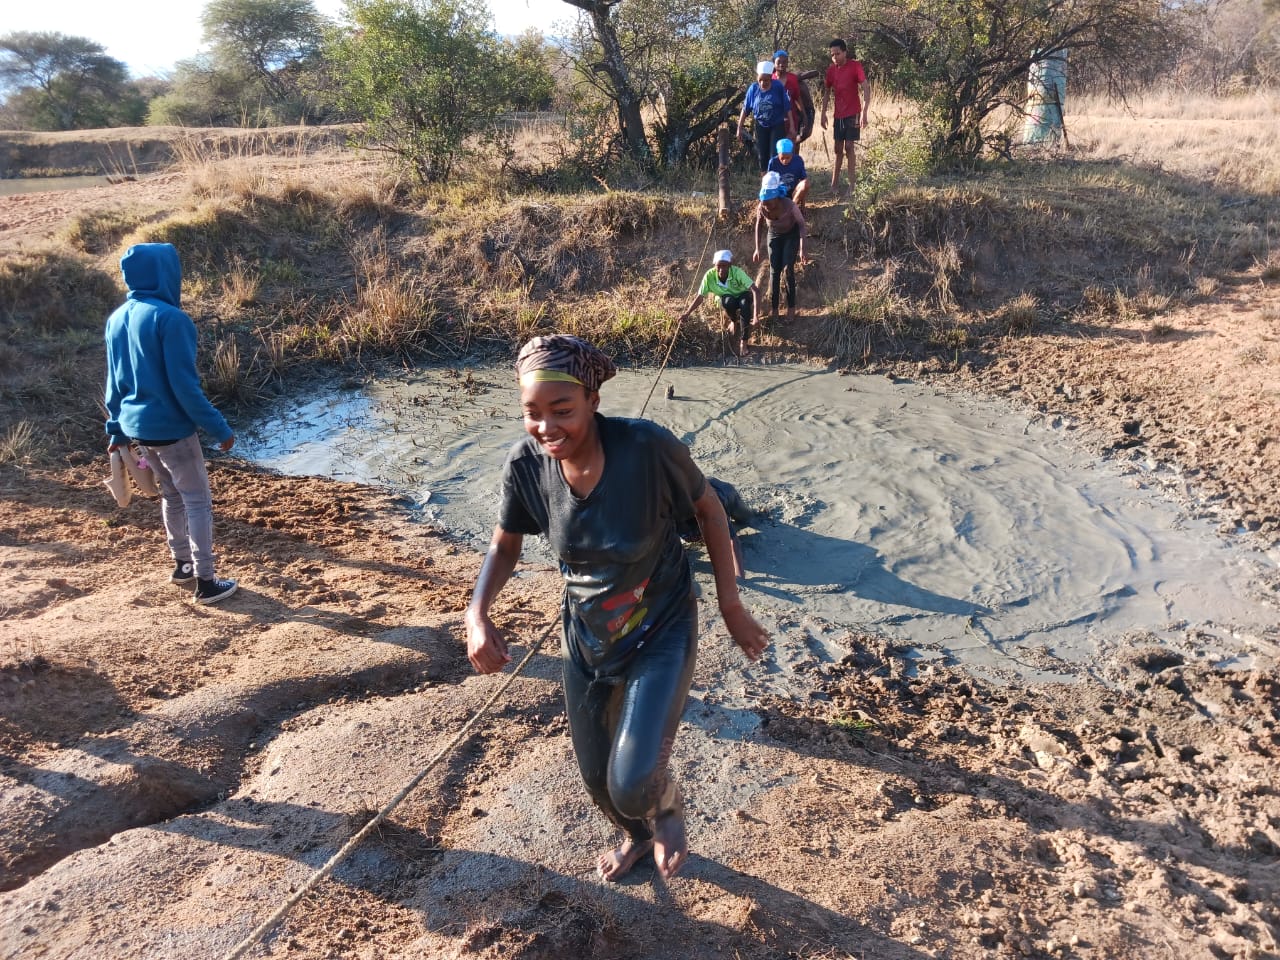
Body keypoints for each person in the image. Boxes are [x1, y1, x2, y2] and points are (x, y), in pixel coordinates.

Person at [465, 335, 769, 883]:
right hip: (586, 636)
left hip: (661, 628)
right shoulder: (527, 465)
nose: (546, 427)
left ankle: (669, 808)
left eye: (563, 410)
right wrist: (476, 614)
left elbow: (710, 510)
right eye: (532, 413)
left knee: (633, 781)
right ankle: (637, 834)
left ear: (592, 401)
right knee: (599, 782)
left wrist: (731, 605)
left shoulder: (646, 449)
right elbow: (504, 545)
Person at [104, 242, 238, 606]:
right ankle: (207, 582)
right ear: (166, 273)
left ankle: (182, 566)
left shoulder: (117, 318)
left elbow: (114, 385)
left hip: (138, 430)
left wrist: (116, 431)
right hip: (173, 430)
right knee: (197, 500)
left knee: (171, 495)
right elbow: (185, 387)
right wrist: (219, 428)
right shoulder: (172, 319)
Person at [676, 249, 760, 355]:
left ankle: (744, 342)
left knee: (744, 305)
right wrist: (687, 313)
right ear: (714, 265)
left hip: (743, 295)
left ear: (729, 265)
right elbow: (700, 296)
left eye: (724, 266)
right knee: (727, 301)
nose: (721, 269)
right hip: (728, 299)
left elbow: (755, 290)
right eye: (718, 266)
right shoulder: (709, 276)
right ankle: (734, 321)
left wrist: (756, 316)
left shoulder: (736, 272)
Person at [752, 172, 808, 323]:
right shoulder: (762, 207)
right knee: (774, 271)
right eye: (764, 201)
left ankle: (791, 308)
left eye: (769, 201)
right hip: (774, 235)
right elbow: (759, 225)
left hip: (791, 235)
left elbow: (802, 225)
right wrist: (757, 248)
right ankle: (774, 308)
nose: (766, 205)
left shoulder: (790, 206)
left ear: (777, 196)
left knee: (787, 270)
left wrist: (802, 248)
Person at [819, 38, 870, 196]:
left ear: (845, 52)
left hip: (853, 112)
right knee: (837, 149)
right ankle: (833, 185)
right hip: (838, 114)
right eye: (832, 55)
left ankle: (852, 186)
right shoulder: (831, 70)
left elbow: (866, 87)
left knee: (849, 147)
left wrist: (864, 112)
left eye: (837, 54)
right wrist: (823, 113)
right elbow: (827, 91)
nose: (835, 57)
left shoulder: (855, 66)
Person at [677, 477, 754, 580]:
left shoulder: (710, 509)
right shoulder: (668, 515)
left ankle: (757, 514)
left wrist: (739, 576)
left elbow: (733, 541)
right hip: (701, 491)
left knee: (747, 517)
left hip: (725, 494)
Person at [737, 59, 793, 174]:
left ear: (771, 78)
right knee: (762, 156)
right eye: (760, 80)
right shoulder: (753, 89)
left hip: (777, 125)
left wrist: (792, 126)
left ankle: (775, 181)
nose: (763, 83)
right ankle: (765, 183)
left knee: (775, 154)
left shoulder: (777, 87)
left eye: (766, 80)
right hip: (761, 125)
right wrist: (739, 128)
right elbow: (745, 109)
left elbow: (787, 107)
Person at [772, 50, 815, 149]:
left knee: (792, 147)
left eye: (784, 62)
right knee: (777, 148)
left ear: (787, 63)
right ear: (774, 63)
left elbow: (797, 98)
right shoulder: (770, 80)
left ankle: (794, 164)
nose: (781, 65)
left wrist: (804, 116)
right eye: (779, 62)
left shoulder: (792, 79)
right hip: (776, 120)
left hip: (792, 119)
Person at [767, 138, 810, 213]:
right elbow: (768, 184)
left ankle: (792, 209)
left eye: (788, 158)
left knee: (806, 183)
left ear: (792, 154)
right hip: (779, 195)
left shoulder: (798, 160)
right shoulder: (773, 162)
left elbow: (803, 181)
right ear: (778, 154)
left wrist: (803, 207)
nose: (785, 160)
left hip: (794, 194)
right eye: (782, 158)